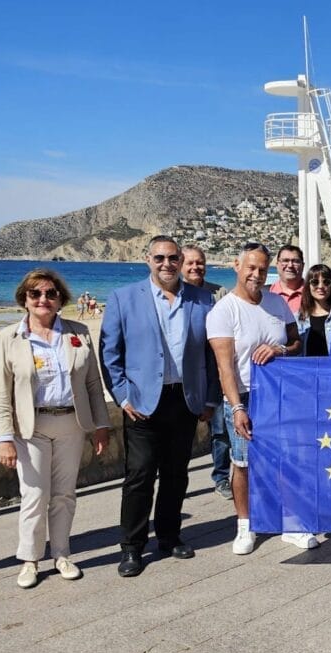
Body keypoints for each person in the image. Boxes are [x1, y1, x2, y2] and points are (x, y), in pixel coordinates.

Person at [100, 236, 220, 577]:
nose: (166, 264)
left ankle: (169, 536)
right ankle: (132, 547)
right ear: (147, 259)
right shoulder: (123, 298)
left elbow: (211, 355)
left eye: (172, 258)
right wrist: (122, 397)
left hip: (184, 399)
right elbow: (110, 353)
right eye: (159, 258)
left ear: (181, 260)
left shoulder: (201, 299)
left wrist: (209, 397)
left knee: (175, 474)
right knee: (139, 475)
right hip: (142, 402)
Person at [0, 269, 111, 588]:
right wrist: (4, 438)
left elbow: (92, 384)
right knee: (34, 494)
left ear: (61, 299)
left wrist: (102, 424)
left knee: (64, 494)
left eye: (50, 293)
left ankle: (61, 554)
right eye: (36, 294)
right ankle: (30, 560)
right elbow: (1, 393)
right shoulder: (8, 338)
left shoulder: (79, 332)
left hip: (72, 423)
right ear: (25, 299)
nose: (43, 299)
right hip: (31, 427)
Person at [207, 244, 310, 553]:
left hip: (280, 396)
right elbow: (225, 368)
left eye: (263, 269)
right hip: (246, 397)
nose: (256, 274)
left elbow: (295, 343)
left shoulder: (277, 303)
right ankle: (245, 525)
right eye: (251, 268)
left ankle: (291, 523)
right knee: (243, 463)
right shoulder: (223, 311)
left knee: (287, 459)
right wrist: (237, 407)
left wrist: (280, 349)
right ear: (237, 266)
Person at [181, 244, 231, 499]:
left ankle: (222, 477)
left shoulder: (218, 293)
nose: (195, 267)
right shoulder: (175, 294)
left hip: (217, 372)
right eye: (189, 263)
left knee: (220, 429)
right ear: (180, 264)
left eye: (199, 262)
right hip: (187, 376)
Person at [299, 264, 331, 357]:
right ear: (308, 286)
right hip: (308, 370)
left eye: (326, 282)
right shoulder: (298, 318)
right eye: (315, 282)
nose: (320, 286)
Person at [269, 245, 306, 317]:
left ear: (303, 265)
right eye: (285, 260)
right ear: (277, 265)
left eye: (295, 261)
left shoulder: (314, 295)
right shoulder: (265, 293)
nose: (290, 265)